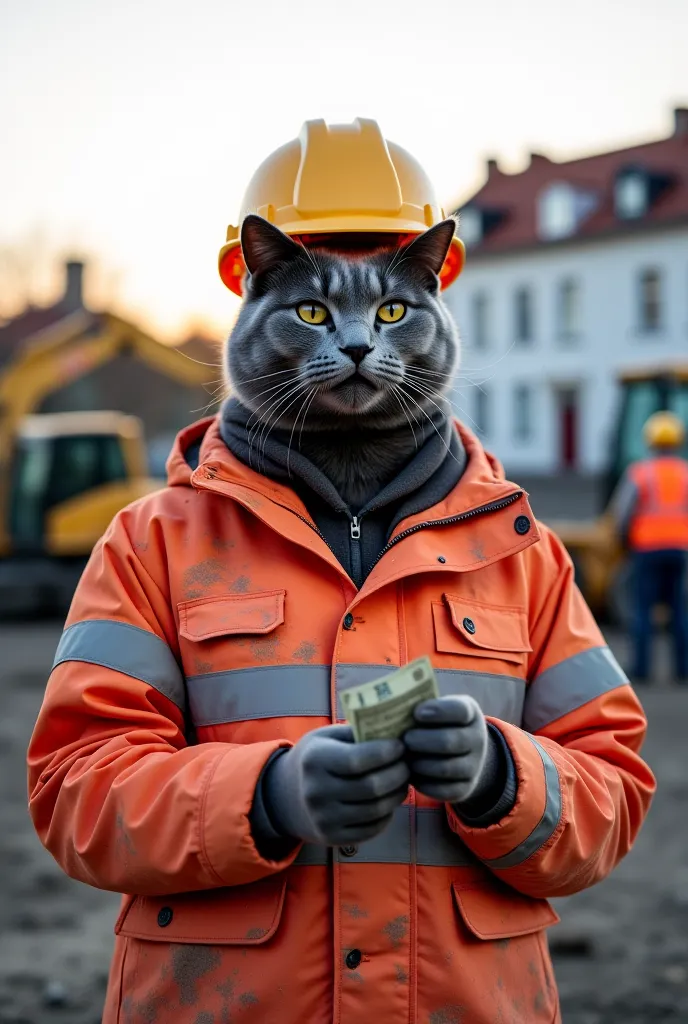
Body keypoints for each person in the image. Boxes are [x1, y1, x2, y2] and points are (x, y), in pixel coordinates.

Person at [27, 119, 655, 1024]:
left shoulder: (526, 555)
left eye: (393, 308)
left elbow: (617, 791)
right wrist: (268, 796)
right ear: (251, 293)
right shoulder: (152, 542)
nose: (359, 340)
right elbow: (75, 792)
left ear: (437, 301)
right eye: (314, 309)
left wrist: (501, 777)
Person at [611, 409, 688, 682]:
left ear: (650, 441)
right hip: (679, 550)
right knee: (679, 610)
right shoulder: (684, 473)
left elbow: (622, 512)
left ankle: (643, 669)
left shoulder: (640, 473)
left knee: (643, 609)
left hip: (646, 549)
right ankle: (682, 669)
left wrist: (622, 538)